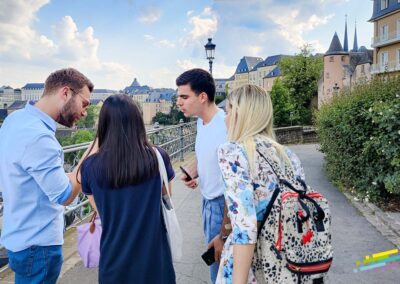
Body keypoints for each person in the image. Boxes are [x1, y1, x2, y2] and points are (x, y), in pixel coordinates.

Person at [0, 68, 94, 283]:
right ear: (66, 93)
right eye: (85, 104)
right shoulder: (39, 137)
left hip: (19, 236)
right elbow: (64, 195)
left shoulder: (15, 121)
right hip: (38, 245)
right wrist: (90, 154)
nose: (85, 112)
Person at [79, 94, 176, 284]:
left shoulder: (90, 166)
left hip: (114, 261)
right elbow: (166, 197)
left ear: (104, 124)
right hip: (155, 260)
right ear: (138, 121)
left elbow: (99, 209)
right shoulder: (158, 157)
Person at [216, 84, 305, 284]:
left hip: (252, 263)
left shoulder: (232, 152)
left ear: (239, 114)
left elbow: (245, 227)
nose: (225, 118)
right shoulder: (288, 155)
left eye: (228, 111)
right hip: (287, 260)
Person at [176, 68, 230, 284]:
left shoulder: (226, 125)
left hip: (222, 205)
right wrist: (193, 172)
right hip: (208, 203)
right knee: (218, 266)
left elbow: (234, 178)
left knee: (221, 269)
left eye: (184, 96)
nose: (179, 102)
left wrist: (225, 229)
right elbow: (207, 155)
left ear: (203, 97)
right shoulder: (201, 121)